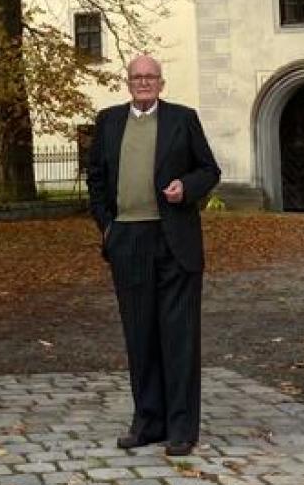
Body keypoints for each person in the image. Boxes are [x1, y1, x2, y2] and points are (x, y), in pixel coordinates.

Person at [84, 54, 221, 457]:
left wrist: (187, 187)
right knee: (139, 335)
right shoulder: (108, 121)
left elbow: (209, 170)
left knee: (177, 337)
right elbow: (95, 177)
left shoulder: (183, 119)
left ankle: (180, 429)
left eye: (151, 77)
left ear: (161, 83)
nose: (144, 83)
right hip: (127, 239)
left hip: (173, 238)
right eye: (137, 77)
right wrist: (107, 227)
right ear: (128, 83)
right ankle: (148, 421)